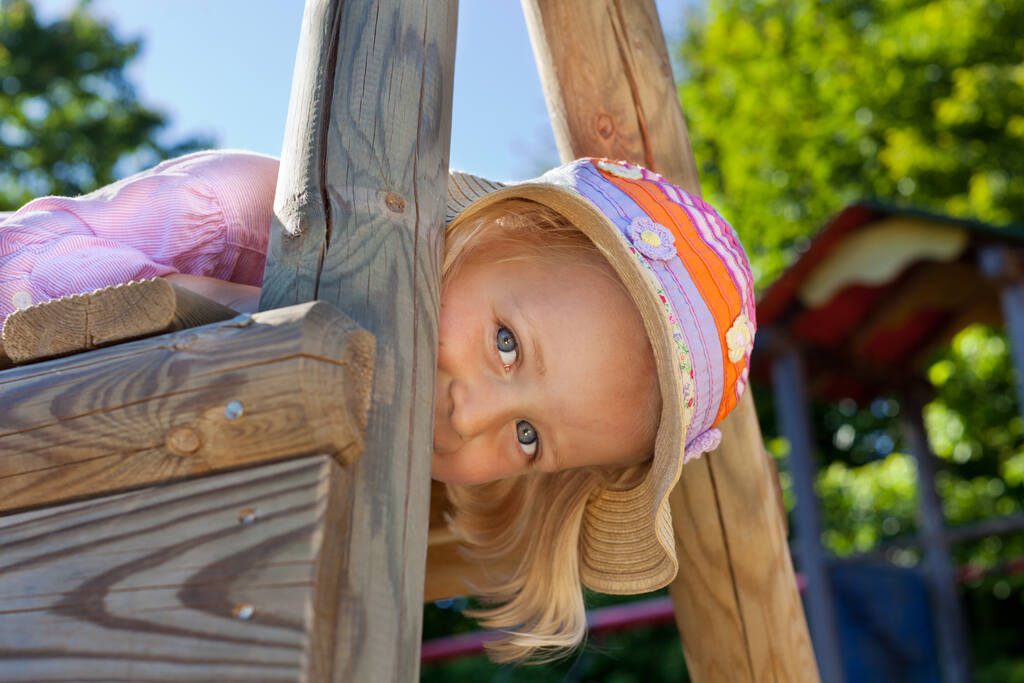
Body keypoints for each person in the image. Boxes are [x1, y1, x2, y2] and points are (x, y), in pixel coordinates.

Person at [0, 150, 756, 663]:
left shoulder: (377, 495)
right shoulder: (248, 210)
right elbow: (23, 268)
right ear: (491, 234)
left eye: (528, 436)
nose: (471, 414)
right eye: (505, 342)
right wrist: (251, 315)